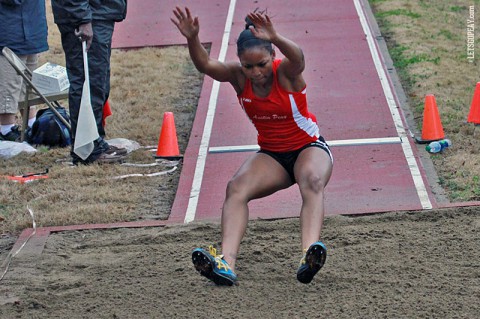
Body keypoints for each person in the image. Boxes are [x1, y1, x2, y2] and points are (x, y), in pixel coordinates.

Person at [172, 7, 334, 286]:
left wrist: (276, 36)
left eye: (261, 64)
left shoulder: (286, 73)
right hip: (272, 155)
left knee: (312, 179)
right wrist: (192, 38)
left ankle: (309, 255)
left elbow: (300, 58)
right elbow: (206, 65)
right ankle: (226, 262)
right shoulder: (238, 77)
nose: (256, 72)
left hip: (308, 147)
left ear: (272, 57)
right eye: (248, 66)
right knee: (236, 188)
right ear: (240, 63)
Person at [51, 0, 128, 164]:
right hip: (88, 15)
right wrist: (82, 18)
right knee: (88, 83)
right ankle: (87, 148)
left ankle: (94, 140)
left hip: (96, 12)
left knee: (97, 83)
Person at [0, 0, 47, 141]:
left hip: (32, 27)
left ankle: (31, 124)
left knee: (29, 82)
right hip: (8, 31)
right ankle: (6, 129)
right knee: (9, 84)